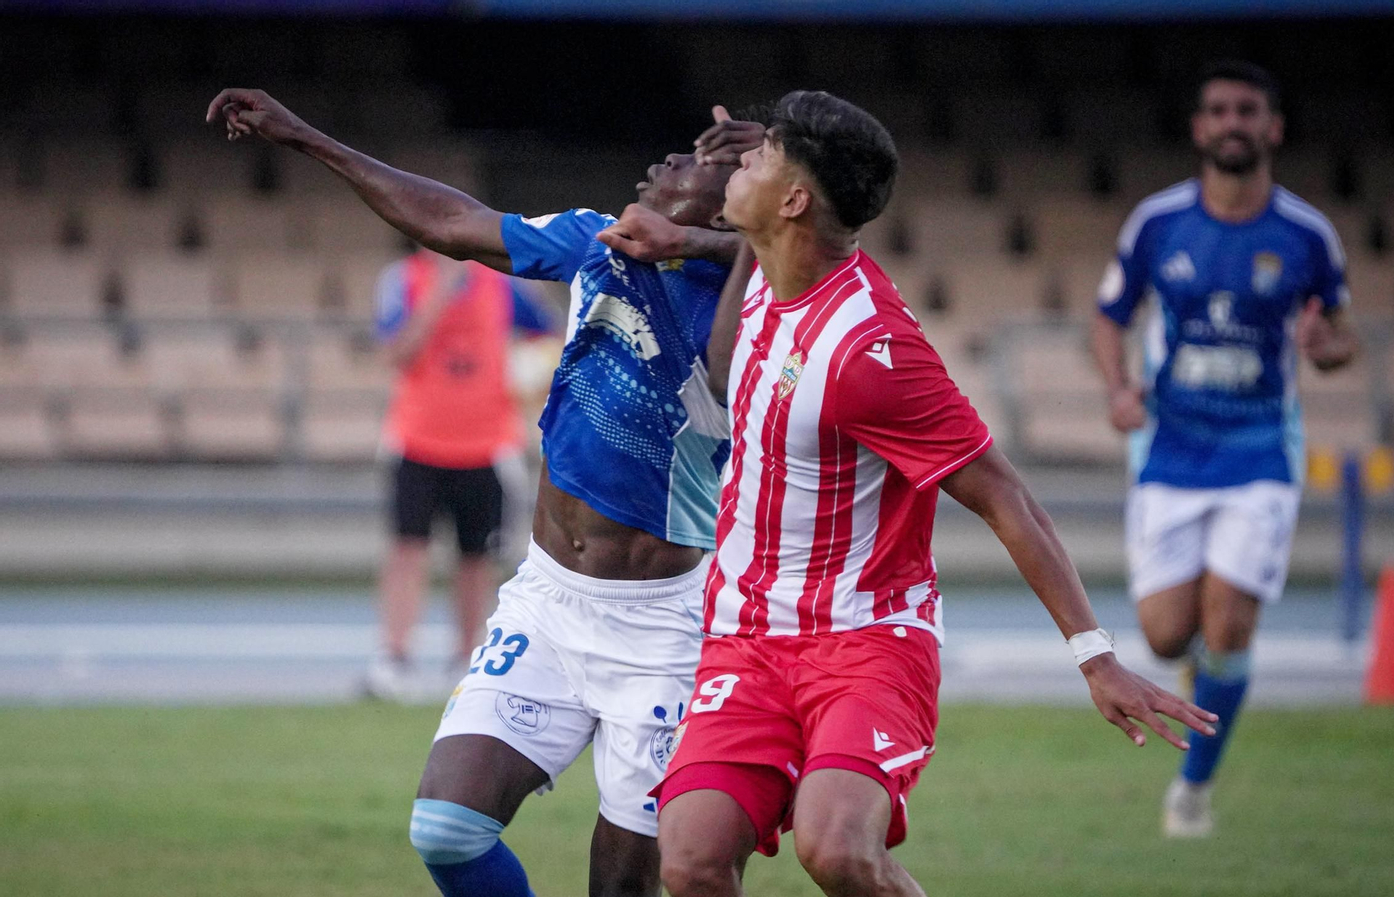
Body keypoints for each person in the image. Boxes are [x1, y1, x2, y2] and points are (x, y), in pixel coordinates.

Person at [637, 90, 1215, 897]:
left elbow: (1005, 495)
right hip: (746, 637)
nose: (741, 163)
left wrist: (1097, 657)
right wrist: (727, 209)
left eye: (764, 157)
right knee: (691, 860)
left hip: (868, 641)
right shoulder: (772, 268)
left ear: (797, 200)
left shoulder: (871, 352)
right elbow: (736, 350)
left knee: (836, 847)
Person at [207, 88, 760, 897]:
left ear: (736, 210)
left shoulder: (755, 309)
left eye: (700, 162)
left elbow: (798, 273)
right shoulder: (596, 246)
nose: (668, 159)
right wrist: (303, 136)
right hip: (549, 600)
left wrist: (704, 242)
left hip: (666, 630)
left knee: (626, 889)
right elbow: (449, 221)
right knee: (447, 828)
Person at [1089, 61, 1359, 838]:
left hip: (1260, 450)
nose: (1232, 121)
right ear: (1199, 128)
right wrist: (1118, 388)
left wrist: (1324, 344)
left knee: (1230, 624)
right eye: (1218, 110)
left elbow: (1343, 336)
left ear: (1272, 128)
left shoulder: (1307, 234)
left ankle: (1193, 791)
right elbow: (1110, 316)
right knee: (1168, 633)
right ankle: (1195, 659)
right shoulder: (1157, 224)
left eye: (1248, 110)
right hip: (1169, 450)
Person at [365, 246, 554, 701]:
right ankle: (395, 656)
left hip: (487, 444)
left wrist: (528, 374)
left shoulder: (501, 283)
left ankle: (466, 657)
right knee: (407, 552)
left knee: (476, 557)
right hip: (417, 439)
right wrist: (439, 293)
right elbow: (397, 353)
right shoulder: (402, 279)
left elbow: (547, 331)